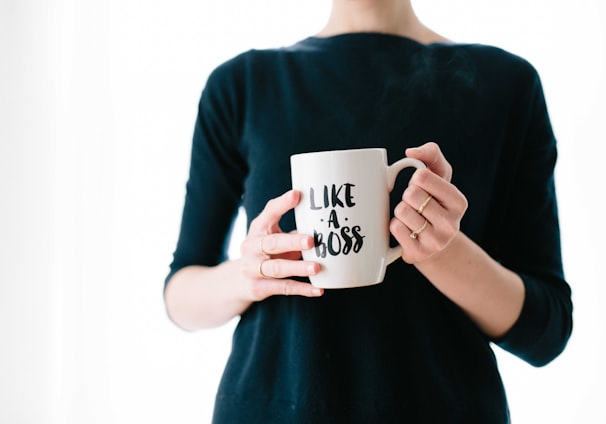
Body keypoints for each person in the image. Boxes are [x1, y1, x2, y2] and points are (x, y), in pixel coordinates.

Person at [163, 0, 573, 422]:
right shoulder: (242, 85)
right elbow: (180, 296)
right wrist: (248, 275)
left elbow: (546, 332)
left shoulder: (506, 85)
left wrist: (441, 251)